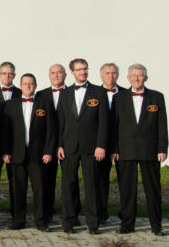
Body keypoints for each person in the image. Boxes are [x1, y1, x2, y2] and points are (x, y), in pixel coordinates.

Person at [111, 64, 168, 236]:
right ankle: (127, 225)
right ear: (128, 78)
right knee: (127, 189)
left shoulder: (157, 97)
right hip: (125, 149)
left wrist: (162, 148)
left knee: (153, 189)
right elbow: (114, 126)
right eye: (133, 76)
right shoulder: (118, 98)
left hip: (149, 149)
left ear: (146, 78)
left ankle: (156, 226)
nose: (136, 78)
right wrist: (114, 149)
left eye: (140, 75)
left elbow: (162, 124)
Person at [57, 58, 109, 235]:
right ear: (72, 72)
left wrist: (101, 145)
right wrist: (59, 145)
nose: (83, 72)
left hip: (91, 147)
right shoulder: (65, 93)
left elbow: (104, 122)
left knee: (92, 185)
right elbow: (60, 122)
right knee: (68, 184)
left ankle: (93, 223)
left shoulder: (99, 92)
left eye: (85, 69)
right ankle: (69, 221)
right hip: (69, 146)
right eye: (79, 70)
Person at [1, 74, 56, 231]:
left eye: (31, 83)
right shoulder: (11, 104)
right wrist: (5, 151)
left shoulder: (45, 103)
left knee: (40, 189)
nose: (28, 86)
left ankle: (41, 221)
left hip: (38, 155)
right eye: (25, 83)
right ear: (20, 86)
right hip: (16, 154)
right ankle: (18, 220)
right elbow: (6, 130)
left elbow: (51, 130)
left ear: (35, 85)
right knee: (17, 189)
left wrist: (48, 151)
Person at [35, 63, 68, 225]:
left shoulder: (72, 92)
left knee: (69, 181)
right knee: (46, 180)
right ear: (49, 76)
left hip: (68, 142)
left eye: (59, 72)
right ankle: (47, 212)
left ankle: (71, 213)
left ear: (65, 75)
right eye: (53, 73)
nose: (56, 75)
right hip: (46, 145)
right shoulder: (41, 95)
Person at [0, 62, 21, 212]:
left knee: (15, 182)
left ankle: (16, 214)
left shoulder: (21, 93)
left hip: (15, 145)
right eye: (4, 73)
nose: (7, 76)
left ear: (14, 75)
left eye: (10, 73)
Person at [98, 62, 126, 224]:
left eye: (114, 73)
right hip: (101, 144)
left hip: (122, 144)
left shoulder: (126, 94)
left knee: (125, 180)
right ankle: (101, 214)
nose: (111, 76)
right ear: (101, 76)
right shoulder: (94, 93)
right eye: (107, 73)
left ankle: (126, 213)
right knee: (101, 180)